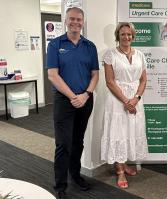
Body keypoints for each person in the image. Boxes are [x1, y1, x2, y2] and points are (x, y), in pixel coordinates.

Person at [46, 7, 99, 199]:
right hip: (64, 100)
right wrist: (72, 96)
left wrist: (85, 95)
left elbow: (95, 75)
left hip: (85, 99)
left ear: (83, 22)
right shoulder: (55, 44)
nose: (75, 22)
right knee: (63, 143)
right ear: (65, 21)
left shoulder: (89, 46)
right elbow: (52, 75)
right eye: (71, 19)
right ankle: (60, 185)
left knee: (78, 141)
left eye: (79, 19)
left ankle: (75, 175)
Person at [100, 22, 148, 189]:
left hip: (136, 100)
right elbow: (110, 82)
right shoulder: (110, 55)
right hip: (117, 100)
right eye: (123, 34)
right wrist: (126, 101)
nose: (126, 37)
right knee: (118, 132)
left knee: (130, 131)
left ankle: (124, 163)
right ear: (117, 36)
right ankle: (120, 170)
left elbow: (143, 80)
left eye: (129, 34)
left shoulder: (140, 55)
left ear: (133, 36)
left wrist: (136, 98)